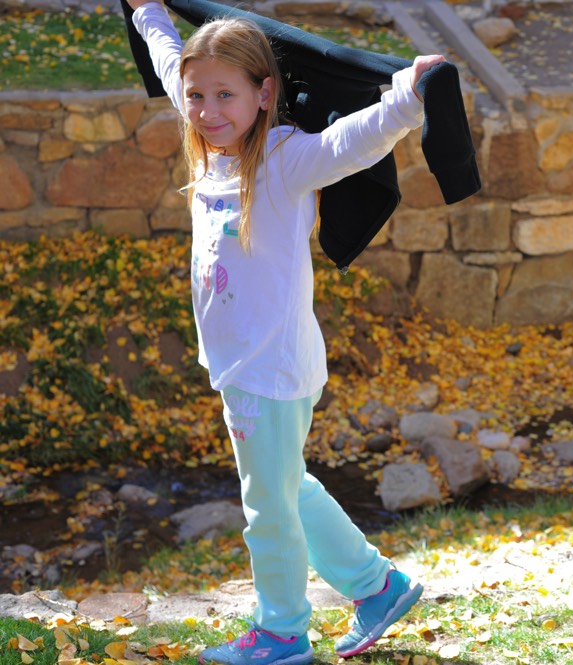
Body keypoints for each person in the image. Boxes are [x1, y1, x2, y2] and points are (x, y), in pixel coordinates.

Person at [125, 1, 439, 662]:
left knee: (267, 507)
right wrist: (149, 12)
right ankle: (377, 586)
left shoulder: (282, 162)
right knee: (288, 484)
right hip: (251, 367)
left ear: (264, 94)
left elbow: (348, 143)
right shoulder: (214, 150)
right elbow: (165, 58)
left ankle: (282, 632)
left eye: (225, 96)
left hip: (270, 370)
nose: (208, 111)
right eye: (197, 96)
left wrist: (408, 99)